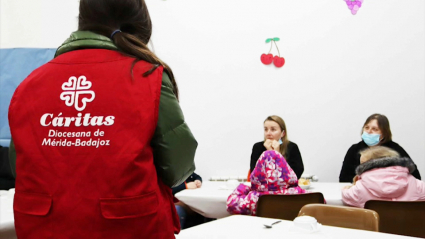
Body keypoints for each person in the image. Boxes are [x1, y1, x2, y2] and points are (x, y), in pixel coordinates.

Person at [8, 1, 197, 238]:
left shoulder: (29, 85)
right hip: (129, 227)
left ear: (82, 20)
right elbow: (178, 166)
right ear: (140, 24)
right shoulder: (147, 76)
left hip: (46, 229)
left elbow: (21, 168)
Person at [339, 113, 421, 183]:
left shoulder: (395, 150)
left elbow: (416, 176)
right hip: (362, 192)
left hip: (390, 194)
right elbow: (343, 178)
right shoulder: (354, 149)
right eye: (366, 127)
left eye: (374, 129)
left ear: (384, 134)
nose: (369, 131)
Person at [342, 146, 425, 208]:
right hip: (410, 229)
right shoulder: (417, 185)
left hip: (373, 230)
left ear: (368, 165)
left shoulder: (360, 188)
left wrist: (347, 188)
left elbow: (345, 196)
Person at [228, 150, 305, 215]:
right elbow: (314, 199)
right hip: (289, 232)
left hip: (262, 232)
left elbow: (231, 204)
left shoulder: (254, 198)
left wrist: (245, 188)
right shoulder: (297, 193)